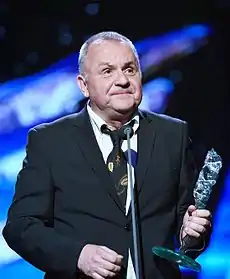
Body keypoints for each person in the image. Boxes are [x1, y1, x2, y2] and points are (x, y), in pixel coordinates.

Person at [2, 31, 212, 279]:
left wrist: (192, 234)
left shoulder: (173, 133)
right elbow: (20, 227)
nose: (122, 80)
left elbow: (184, 224)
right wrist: (78, 256)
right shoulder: (50, 141)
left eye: (130, 69)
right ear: (83, 85)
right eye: (107, 71)